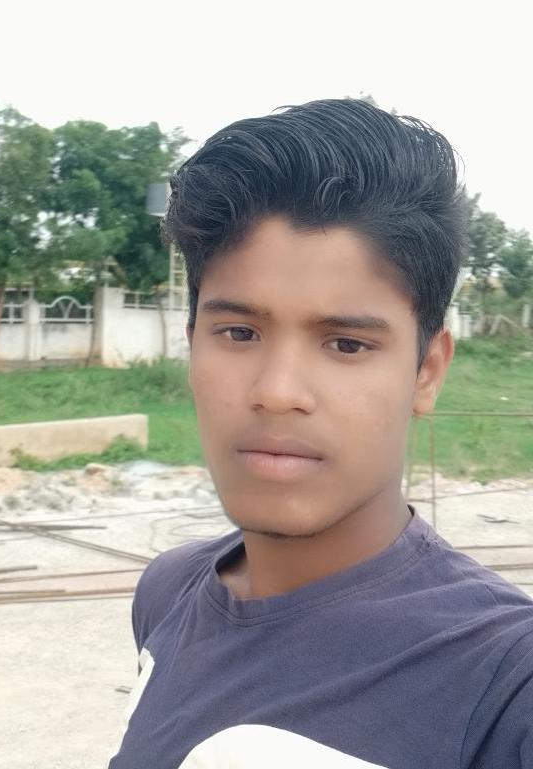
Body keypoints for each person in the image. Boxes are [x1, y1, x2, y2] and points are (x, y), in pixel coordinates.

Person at [108, 99, 533, 769]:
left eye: (346, 344)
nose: (277, 390)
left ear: (426, 371)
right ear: (192, 346)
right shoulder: (168, 591)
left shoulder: (505, 682)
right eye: (238, 333)